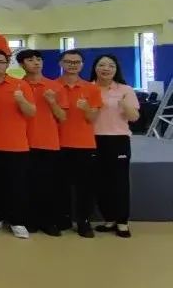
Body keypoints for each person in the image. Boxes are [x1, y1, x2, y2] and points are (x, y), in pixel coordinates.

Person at [0, 49, 35, 239]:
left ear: (7, 64)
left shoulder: (20, 85)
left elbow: (31, 112)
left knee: (16, 186)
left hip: (16, 144)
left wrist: (20, 100)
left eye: (0, 62)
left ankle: (17, 221)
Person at [17, 49, 67, 236]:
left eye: (38, 59)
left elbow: (62, 116)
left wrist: (52, 102)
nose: (36, 62)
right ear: (22, 64)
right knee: (25, 184)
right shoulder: (16, 85)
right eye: (30, 60)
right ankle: (29, 220)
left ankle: (49, 221)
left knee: (47, 185)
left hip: (47, 141)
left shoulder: (55, 86)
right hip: (21, 142)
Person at [90, 54, 140, 238]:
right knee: (100, 181)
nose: (106, 68)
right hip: (93, 140)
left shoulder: (125, 90)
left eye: (111, 65)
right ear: (95, 68)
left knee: (119, 182)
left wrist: (125, 105)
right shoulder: (88, 88)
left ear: (116, 69)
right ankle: (109, 219)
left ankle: (122, 222)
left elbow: (134, 117)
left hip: (118, 140)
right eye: (102, 65)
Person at [57, 49, 102, 237]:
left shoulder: (92, 89)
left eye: (76, 62)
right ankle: (63, 218)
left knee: (85, 186)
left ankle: (83, 221)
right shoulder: (52, 86)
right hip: (57, 143)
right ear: (61, 63)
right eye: (68, 62)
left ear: (82, 65)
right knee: (60, 184)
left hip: (84, 144)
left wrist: (86, 109)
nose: (72, 65)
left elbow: (93, 118)